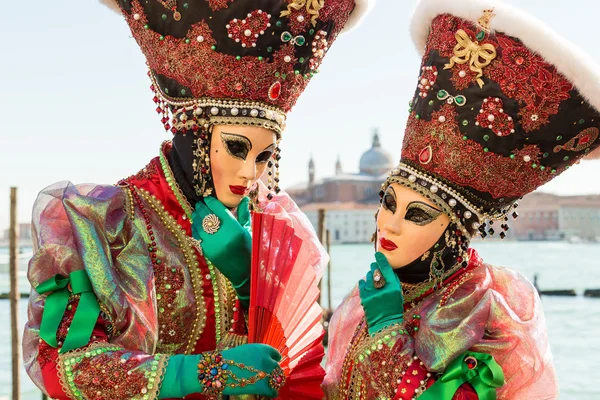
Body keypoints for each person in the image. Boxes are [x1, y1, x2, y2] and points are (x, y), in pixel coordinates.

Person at [22, 0, 372, 398]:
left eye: (264, 157)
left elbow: (301, 369)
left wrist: (251, 282)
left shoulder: (272, 230)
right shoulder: (109, 223)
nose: (250, 173)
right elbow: (63, 367)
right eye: (237, 148)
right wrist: (203, 372)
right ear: (196, 137)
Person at [323, 0, 600, 398]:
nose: (389, 224)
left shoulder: (491, 314)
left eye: (417, 213)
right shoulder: (369, 293)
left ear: (453, 225)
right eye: (387, 203)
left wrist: (388, 334)